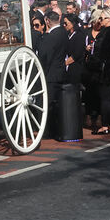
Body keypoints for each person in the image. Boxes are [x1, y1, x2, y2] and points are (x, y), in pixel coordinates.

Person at [85, 9, 110, 135]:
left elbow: (104, 53)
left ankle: (105, 125)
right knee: (109, 98)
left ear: (109, 19)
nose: (100, 21)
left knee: (105, 98)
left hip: (105, 69)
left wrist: (93, 60)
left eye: (102, 18)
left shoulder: (108, 33)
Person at [37, 11, 67, 139]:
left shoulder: (51, 35)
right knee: (54, 103)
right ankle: (54, 129)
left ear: (47, 20)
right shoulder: (63, 32)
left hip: (50, 73)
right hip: (59, 71)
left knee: (45, 103)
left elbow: (43, 54)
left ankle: (46, 130)